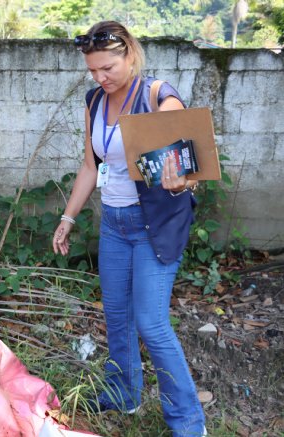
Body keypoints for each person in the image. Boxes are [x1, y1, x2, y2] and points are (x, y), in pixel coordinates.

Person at [52, 21, 206, 437]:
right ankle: (124, 394)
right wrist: (68, 218)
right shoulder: (94, 101)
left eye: (108, 68)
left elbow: (191, 168)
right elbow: (91, 165)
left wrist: (181, 181)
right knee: (117, 316)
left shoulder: (159, 98)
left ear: (130, 55)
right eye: (93, 70)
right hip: (114, 223)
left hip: (153, 225)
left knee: (151, 323)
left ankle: (189, 423)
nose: (100, 77)